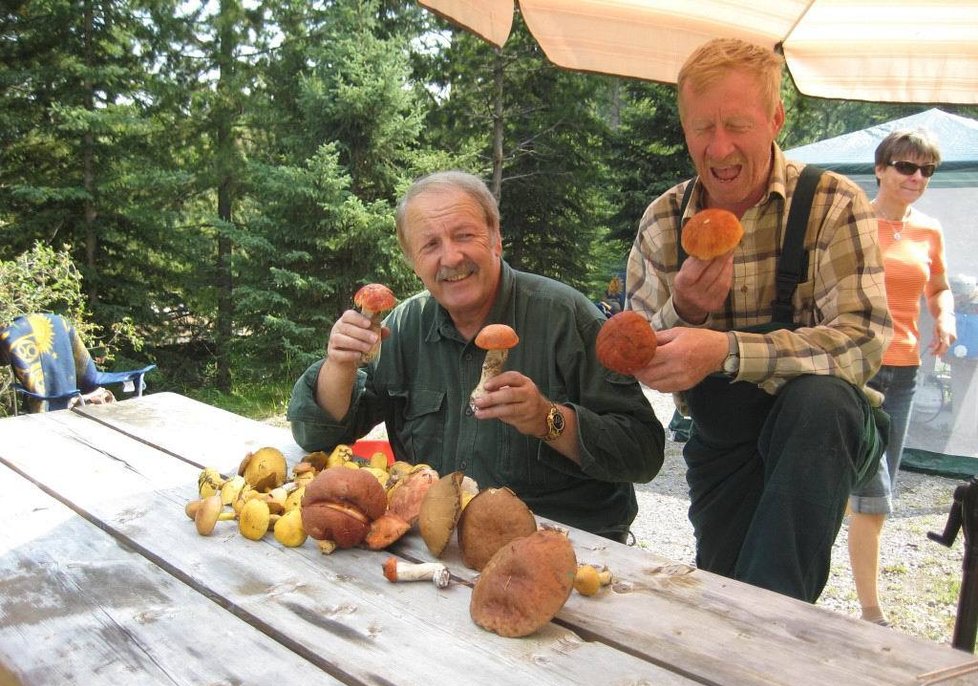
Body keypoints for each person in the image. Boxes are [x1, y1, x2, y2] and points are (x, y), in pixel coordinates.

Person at [625, 38, 892, 603]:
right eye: (703, 127)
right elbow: (636, 352)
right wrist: (685, 310)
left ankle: (773, 627)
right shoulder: (664, 220)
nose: (719, 147)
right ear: (684, 130)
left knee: (818, 404)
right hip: (722, 438)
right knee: (722, 590)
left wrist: (723, 350)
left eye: (737, 125)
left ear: (775, 119)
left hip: (827, 435)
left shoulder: (833, 203)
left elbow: (863, 339)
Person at [288, 170, 665, 541]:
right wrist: (340, 363)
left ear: (496, 237)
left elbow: (644, 453)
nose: (451, 257)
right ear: (412, 261)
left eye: (464, 235)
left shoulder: (567, 318)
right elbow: (316, 436)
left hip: (563, 542)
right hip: (436, 545)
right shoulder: (403, 328)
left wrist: (547, 419)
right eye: (430, 245)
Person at [848, 129, 955, 626]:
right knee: (873, 492)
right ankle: (871, 611)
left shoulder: (928, 231)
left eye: (926, 170)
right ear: (880, 169)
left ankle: (859, 597)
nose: (916, 177)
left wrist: (946, 316)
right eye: (906, 167)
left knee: (873, 494)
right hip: (857, 369)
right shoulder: (853, 223)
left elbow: (939, 288)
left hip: (906, 372)